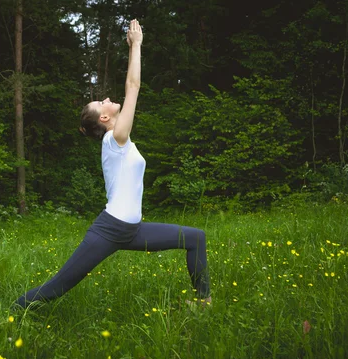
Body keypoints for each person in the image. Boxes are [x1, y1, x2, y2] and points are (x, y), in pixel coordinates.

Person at [15, 19, 211, 308]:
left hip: (132, 230)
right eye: (101, 102)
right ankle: (12, 312)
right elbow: (133, 86)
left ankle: (204, 301)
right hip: (110, 229)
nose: (106, 98)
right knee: (57, 286)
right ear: (104, 119)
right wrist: (136, 45)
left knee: (196, 238)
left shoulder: (122, 143)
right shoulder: (114, 140)